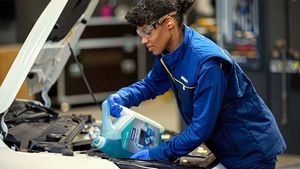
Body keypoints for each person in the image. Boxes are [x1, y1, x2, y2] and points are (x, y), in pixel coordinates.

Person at [105, 0, 286, 168]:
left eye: (148, 32)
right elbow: (151, 85)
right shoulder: (168, 53)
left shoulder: (208, 64)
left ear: (168, 22)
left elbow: (199, 130)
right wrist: (123, 96)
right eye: (140, 32)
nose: (143, 40)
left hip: (250, 151)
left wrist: (157, 153)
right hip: (225, 147)